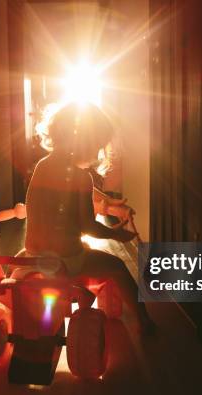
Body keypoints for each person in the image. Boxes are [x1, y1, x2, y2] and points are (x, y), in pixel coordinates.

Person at [25, 102, 155, 334]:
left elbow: (67, 188)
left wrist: (108, 201)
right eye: (96, 146)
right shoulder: (81, 177)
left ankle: (78, 296)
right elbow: (88, 227)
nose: (96, 154)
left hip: (33, 256)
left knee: (83, 252)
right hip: (65, 259)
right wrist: (116, 234)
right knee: (117, 267)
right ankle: (144, 321)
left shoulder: (43, 166)